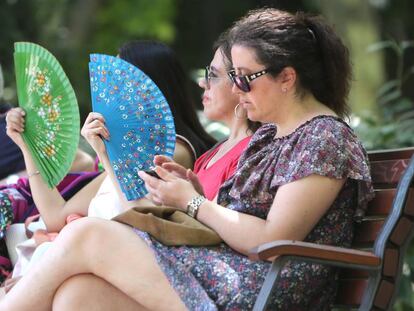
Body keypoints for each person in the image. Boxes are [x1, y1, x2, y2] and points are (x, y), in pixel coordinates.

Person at [0, 8, 375, 311]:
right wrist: (194, 191)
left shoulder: (323, 137)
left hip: (267, 286)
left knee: (88, 233)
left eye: (243, 78)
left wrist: (192, 202)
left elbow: (273, 236)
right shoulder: (272, 135)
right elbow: (242, 217)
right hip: (230, 269)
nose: (236, 89)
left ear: (287, 78)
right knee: (78, 296)